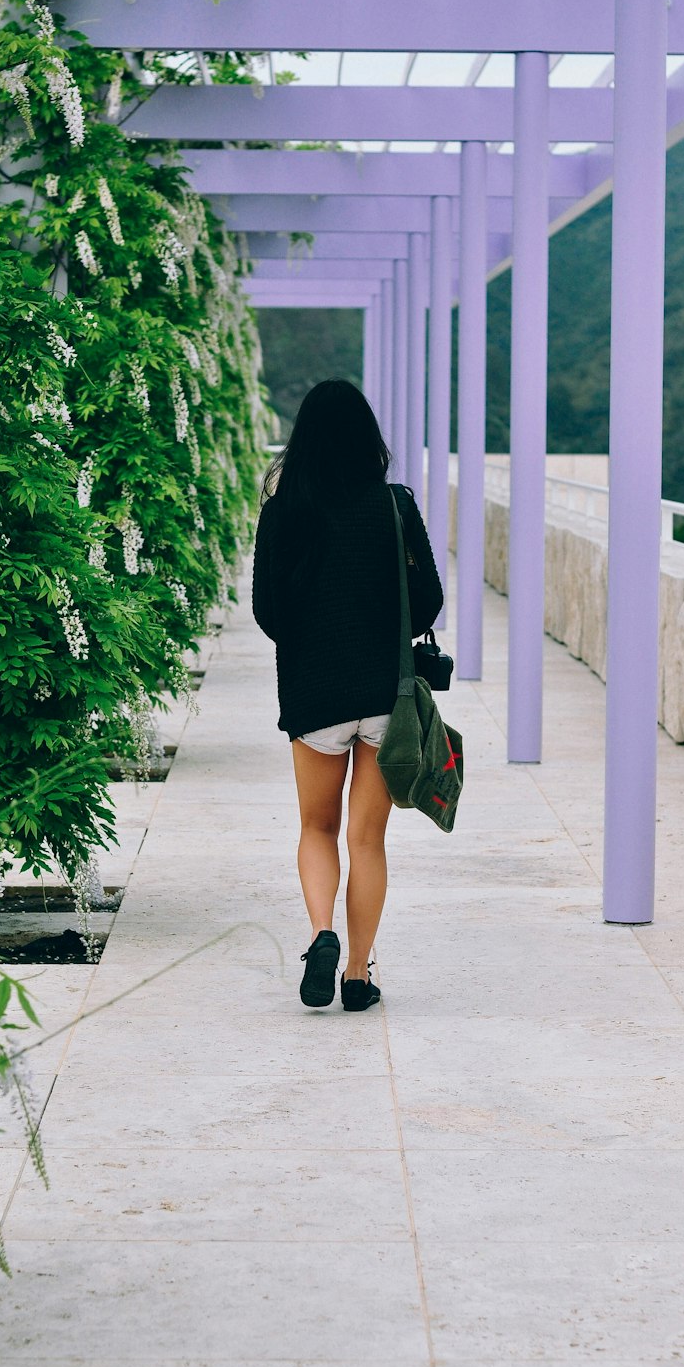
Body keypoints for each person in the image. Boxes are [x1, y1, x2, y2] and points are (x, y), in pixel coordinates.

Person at [252, 380, 444, 1013]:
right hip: (384, 691)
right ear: (370, 440)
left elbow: (266, 609)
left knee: (316, 826)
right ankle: (358, 975)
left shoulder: (284, 508)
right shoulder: (393, 506)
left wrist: (312, 641)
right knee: (367, 839)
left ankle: (322, 935)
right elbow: (431, 603)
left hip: (314, 691)